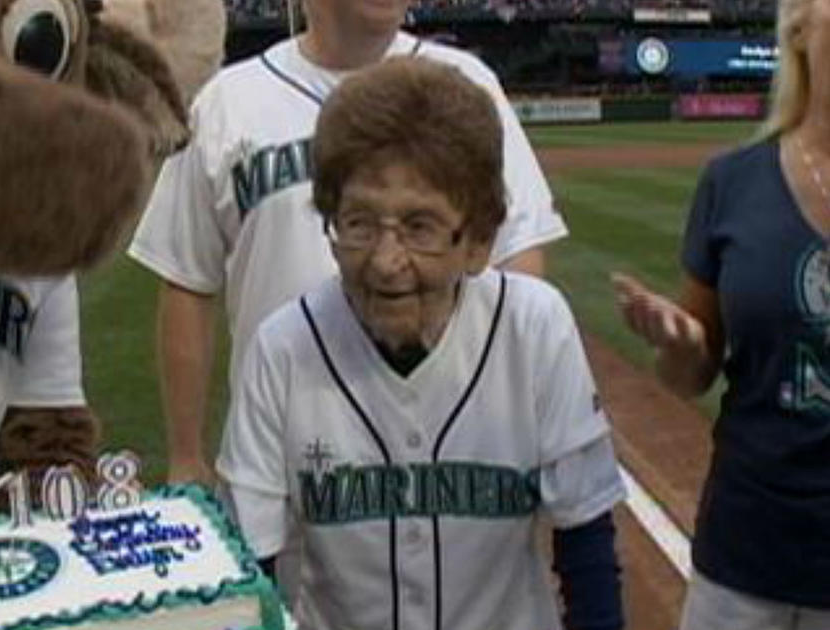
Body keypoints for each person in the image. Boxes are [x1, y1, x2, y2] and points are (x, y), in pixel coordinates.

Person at [219, 57, 625, 630]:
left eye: (420, 227)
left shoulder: (534, 327)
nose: (386, 263)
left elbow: (585, 544)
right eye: (358, 223)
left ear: (479, 240)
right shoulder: (283, 350)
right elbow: (248, 575)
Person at [128, 0, 566, 485]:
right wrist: (186, 454)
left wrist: (506, 411)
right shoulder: (227, 103)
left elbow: (517, 254)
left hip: (449, 457)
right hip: (282, 462)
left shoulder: (467, 85)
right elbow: (188, 280)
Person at [612, 0, 830, 624]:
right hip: (745, 555)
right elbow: (691, 374)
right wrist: (681, 350)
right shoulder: (732, 181)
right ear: (799, 27)